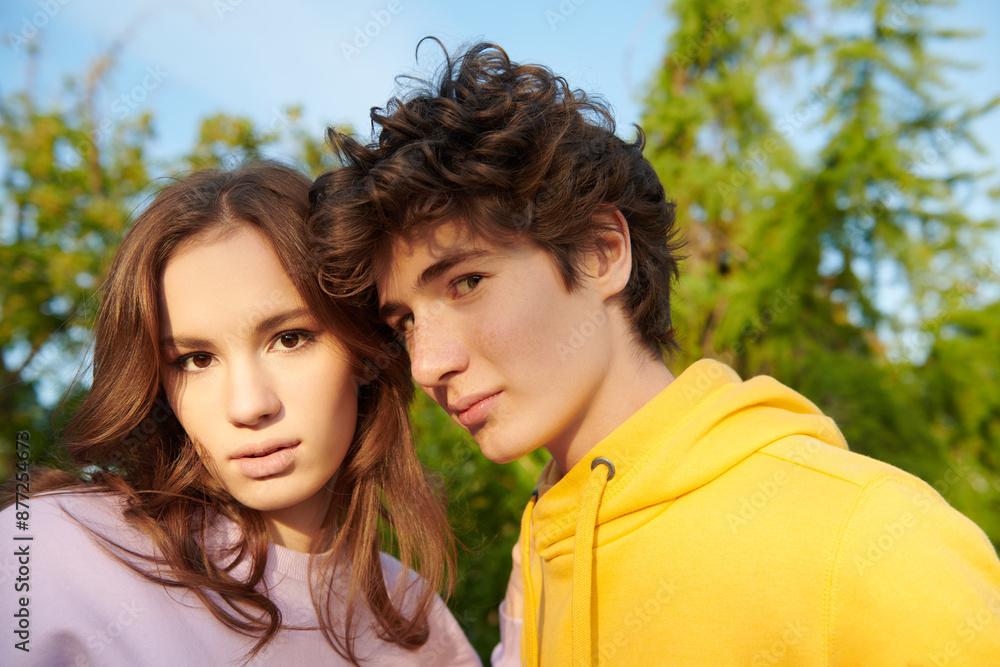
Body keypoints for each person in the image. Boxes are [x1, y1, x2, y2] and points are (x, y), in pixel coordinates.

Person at [309, 41, 1000, 666]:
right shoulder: (540, 553)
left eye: (466, 283)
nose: (427, 365)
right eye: (405, 323)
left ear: (601, 252)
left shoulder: (868, 536)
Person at [0, 161, 483, 666]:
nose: (249, 406)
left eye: (290, 339)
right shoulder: (48, 551)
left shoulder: (413, 619)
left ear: (364, 348)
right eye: (196, 360)